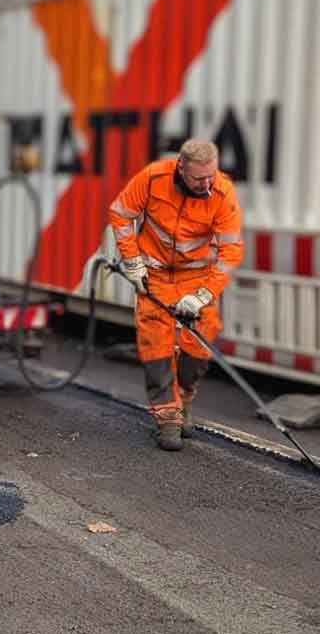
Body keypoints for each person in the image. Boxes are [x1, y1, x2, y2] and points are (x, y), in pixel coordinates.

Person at [108, 139, 244, 451]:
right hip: (155, 276)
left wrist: (202, 295)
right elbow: (120, 214)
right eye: (199, 178)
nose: (206, 183)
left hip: (196, 277)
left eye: (211, 175)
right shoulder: (153, 178)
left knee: (199, 343)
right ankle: (168, 418)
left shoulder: (222, 193)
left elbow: (230, 251)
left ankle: (183, 400)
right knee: (156, 347)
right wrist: (132, 261)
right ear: (180, 168)